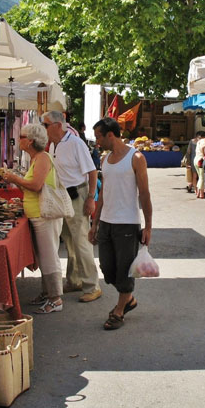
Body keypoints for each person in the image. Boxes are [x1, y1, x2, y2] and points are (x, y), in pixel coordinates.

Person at [88, 117, 152, 330]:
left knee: (124, 269)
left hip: (127, 223)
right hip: (106, 221)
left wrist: (148, 226)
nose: (97, 141)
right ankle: (129, 299)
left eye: (99, 136)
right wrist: (95, 223)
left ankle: (119, 310)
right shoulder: (105, 159)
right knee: (107, 268)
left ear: (110, 135)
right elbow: (104, 193)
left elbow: (144, 194)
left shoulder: (136, 157)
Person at [42, 110, 102, 303]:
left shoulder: (76, 143)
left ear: (58, 125)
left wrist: (91, 198)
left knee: (82, 241)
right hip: (63, 196)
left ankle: (92, 285)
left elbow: (92, 172)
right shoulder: (54, 145)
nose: (44, 129)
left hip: (78, 195)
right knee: (69, 240)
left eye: (46, 125)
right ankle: (75, 279)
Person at [4, 123, 64, 314]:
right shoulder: (36, 158)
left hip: (44, 215)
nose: (18, 139)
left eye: (21, 136)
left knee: (48, 257)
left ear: (30, 141)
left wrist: (15, 179)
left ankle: (55, 299)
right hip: (37, 214)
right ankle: (47, 293)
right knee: (43, 256)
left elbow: (37, 185)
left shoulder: (43, 158)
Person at [194, 131, 205, 199]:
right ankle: (201, 194)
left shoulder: (198, 142)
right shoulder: (204, 141)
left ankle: (198, 192)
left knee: (200, 177)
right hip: (201, 160)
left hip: (196, 159)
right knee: (202, 177)